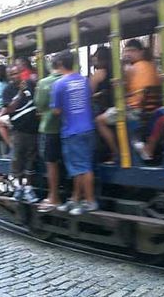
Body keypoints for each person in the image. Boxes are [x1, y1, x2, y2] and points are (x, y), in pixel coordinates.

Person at [95, 39, 159, 163]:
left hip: (135, 110)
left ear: (141, 52)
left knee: (99, 121)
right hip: (149, 110)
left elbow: (121, 89)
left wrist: (117, 83)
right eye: (126, 51)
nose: (128, 54)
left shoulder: (132, 68)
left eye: (132, 51)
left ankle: (116, 154)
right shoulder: (152, 66)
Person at [51, 51, 99, 216]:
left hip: (72, 130)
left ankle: (90, 201)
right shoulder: (84, 80)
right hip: (87, 128)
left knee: (83, 167)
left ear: (60, 65)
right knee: (79, 166)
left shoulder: (59, 84)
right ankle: (75, 198)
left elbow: (56, 111)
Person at [3, 65, 40, 203]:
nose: (15, 76)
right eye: (12, 74)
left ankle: (29, 188)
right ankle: (19, 187)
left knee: (31, 160)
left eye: (17, 73)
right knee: (18, 159)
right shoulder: (8, 90)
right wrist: (20, 93)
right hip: (18, 130)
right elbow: (10, 109)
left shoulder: (30, 84)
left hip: (33, 130)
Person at [34, 55, 63, 212]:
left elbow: (39, 106)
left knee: (51, 163)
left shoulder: (44, 83)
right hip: (67, 127)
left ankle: (54, 197)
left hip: (49, 127)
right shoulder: (72, 79)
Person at [89, 46, 114, 115]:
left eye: (96, 57)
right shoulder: (113, 72)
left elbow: (89, 91)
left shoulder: (99, 73)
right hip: (111, 105)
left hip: (102, 108)